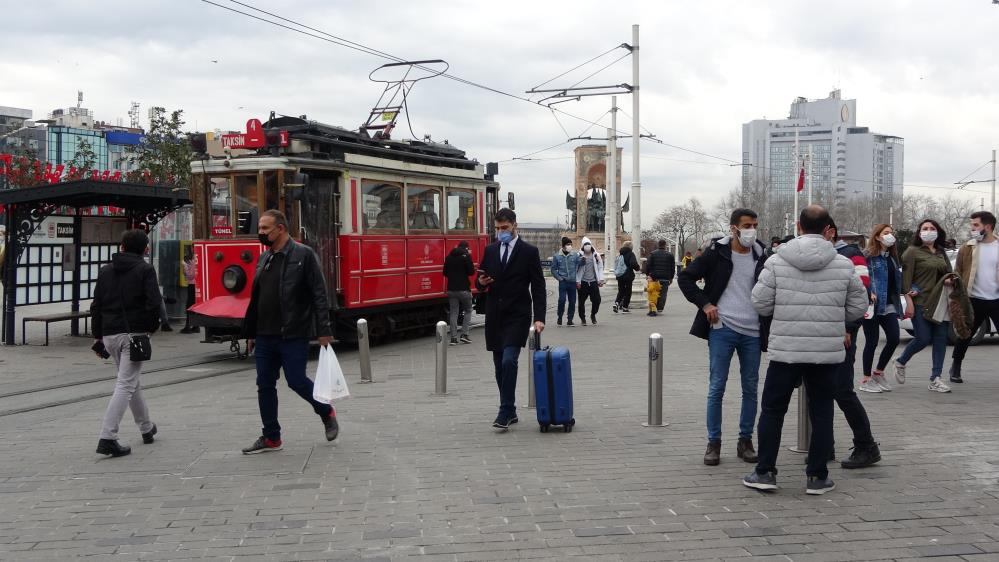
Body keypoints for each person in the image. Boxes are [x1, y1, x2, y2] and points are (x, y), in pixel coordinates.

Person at [743, 205, 867, 495]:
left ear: (798, 226)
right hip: (825, 352)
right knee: (822, 411)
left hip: (786, 350)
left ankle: (765, 471)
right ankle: (817, 476)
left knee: (773, 410)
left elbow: (760, 303)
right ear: (828, 230)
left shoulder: (776, 261)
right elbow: (859, 307)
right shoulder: (843, 264)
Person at [241, 210, 339, 454]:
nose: (260, 233)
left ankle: (325, 410)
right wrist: (252, 332)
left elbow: (319, 293)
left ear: (281, 228)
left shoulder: (303, 255)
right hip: (264, 335)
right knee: (264, 384)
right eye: (260, 228)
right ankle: (271, 437)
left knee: (296, 381)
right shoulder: (265, 259)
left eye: (265, 228)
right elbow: (258, 298)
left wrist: (323, 330)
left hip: (293, 332)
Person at [677, 208, 767, 466]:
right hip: (723, 328)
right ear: (733, 228)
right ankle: (713, 442)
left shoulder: (761, 253)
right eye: (747, 225)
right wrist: (705, 304)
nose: (751, 230)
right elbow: (686, 278)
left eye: (755, 225)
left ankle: (745, 440)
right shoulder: (717, 252)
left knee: (750, 388)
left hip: (752, 330)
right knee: (717, 386)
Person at [91, 229, 163, 458]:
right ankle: (107, 437)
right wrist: (151, 328)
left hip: (110, 335)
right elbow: (154, 303)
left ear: (121, 246)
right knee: (125, 384)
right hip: (134, 335)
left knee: (131, 382)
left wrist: (98, 336)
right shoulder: (145, 269)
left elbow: (96, 305)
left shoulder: (105, 271)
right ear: (145, 249)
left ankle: (146, 427)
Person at [477, 208, 545, 429]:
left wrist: (539, 317)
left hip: (518, 315)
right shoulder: (490, 250)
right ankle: (511, 409)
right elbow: (480, 279)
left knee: (509, 360)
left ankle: (504, 410)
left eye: (504, 228)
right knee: (499, 366)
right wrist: (482, 283)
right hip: (495, 315)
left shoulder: (529, 252)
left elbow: (538, 287)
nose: (500, 232)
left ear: (515, 225)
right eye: (497, 228)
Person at [827, 220, 881, 469]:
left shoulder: (851, 255)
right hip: (824, 334)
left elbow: (862, 294)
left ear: (830, 232)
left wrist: (849, 327)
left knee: (842, 390)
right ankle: (824, 444)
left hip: (843, 334)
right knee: (822, 390)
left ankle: (866, 445)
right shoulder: (826, 254)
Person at [894, 219, 955, 393]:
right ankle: (900, 360)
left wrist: (950, 280)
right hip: (920, 302)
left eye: (932, 228)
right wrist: (909, 301)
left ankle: (936, 378)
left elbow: (949, 273)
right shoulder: (912, 252)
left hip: (940, 302)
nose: (929, 231)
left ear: (938, 231)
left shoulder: (941, 252)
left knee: (940, 339)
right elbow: (905, 279)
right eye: (925, 228)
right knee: (922, 338)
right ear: (919, 232)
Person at [949, 211, 999, 383]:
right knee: (965, 335)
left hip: (996, 300)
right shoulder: (967, 247)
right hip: (974, 299)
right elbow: (958, 271)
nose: (972, 228)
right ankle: (955, 366)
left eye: (976, 225)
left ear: (988, 226)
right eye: (972, 225)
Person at [859, 224, 902, 393]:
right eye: (886, 233)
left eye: (891, 233)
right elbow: (860, 276)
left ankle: (878, 372)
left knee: (894, 338)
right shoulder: (867, 255)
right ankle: (866, 378)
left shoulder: (891, 257)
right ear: (877, 237)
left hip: (888, 304)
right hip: (872, 305)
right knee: (872, 341)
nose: (890, 236)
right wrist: (869, 291)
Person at [443, 240, 474, 345]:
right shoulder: (466, 256)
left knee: (454, 313)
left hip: (451, 290)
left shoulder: (449, 257)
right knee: (468, 310)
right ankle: (464, 335)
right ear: (466, 248)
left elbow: (445, 273)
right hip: (464, 289)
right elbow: (471, 272)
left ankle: (453, 339)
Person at [575, 237, 604, 325]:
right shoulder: (578, 255)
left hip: (593, 281)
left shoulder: (596, 255)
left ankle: (593, 314)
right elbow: (575, 269)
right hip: (582, 282)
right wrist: (577, 281)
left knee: (597, 300)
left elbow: (600, 267)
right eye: (585, 244)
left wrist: (600, 279)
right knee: (581, 302)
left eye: (588, 244)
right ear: (582, 246)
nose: (587, 246)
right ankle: (583, 318)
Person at [551, 237, 580, 326]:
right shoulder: (557, 256)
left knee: (572, 301)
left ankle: (570, 319)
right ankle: (560, 317)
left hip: (572, 282)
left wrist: (583, 260)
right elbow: (553, 269)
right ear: (563, 246)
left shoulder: (575, 255)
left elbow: (579, 263)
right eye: (568, 245)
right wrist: (559, 278)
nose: (570, 246)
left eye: (571, 244)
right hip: (563, 282)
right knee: (562, 300)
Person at [644, 240, 676, 316]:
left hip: (655, 278)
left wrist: (647, 274)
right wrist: (671, 277)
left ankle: (654, 308)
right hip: (665, 277)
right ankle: (660, 308)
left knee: (654, 294)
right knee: (663, 293)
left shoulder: (653, 254)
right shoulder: (670, 255)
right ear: (665, 245)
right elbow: (672, 267)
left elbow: (648, 265)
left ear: (658, 245)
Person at [613, 241, 641, 313]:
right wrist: (637, 268)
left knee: (621, 290)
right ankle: (625, 307)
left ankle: (617, 303)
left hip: (620, 275)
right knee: (628, 291)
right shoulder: (630, 254)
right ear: (631, 247)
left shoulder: (620, 254)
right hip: (627, 275)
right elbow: (633, 263)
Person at [180, 250, 199, 334]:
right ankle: (196, 325)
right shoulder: (197, 258)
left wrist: (185, 266)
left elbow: (190, 275)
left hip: (192, 285)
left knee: (189, 305)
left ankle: (188, 326)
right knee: (194, 305)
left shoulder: (193, 260)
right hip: (196, 284)